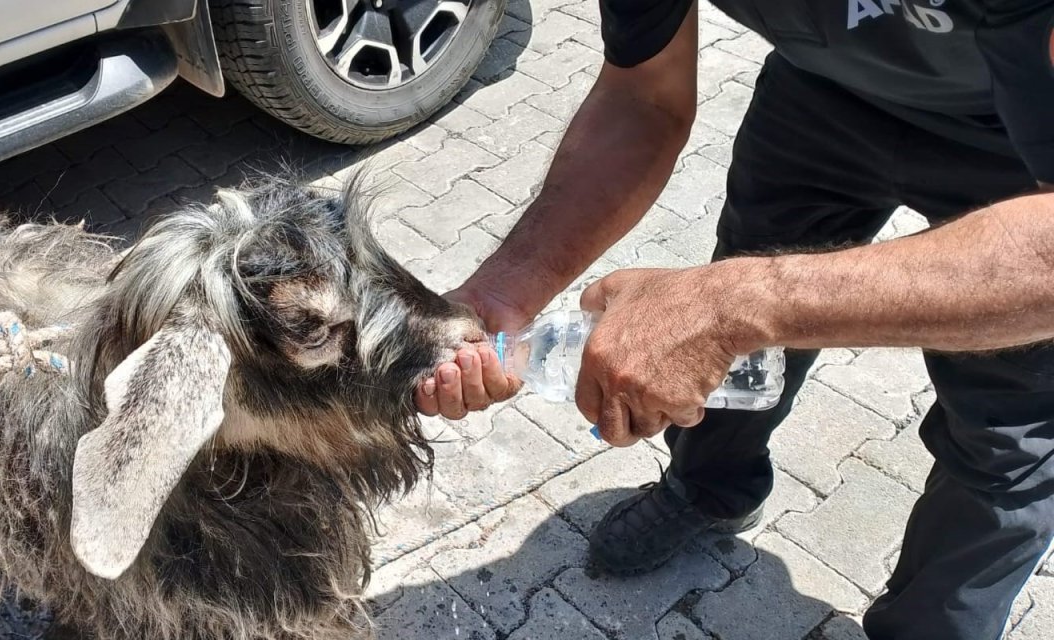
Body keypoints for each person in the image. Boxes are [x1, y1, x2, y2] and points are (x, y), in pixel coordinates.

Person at [414, 1, 1054, 638]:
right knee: (717, 349)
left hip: (1020, 147)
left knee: (1010, 435)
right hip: (821, 94)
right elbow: (644, 97)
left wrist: (740, 303)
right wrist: (504, 290)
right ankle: (709, 490)